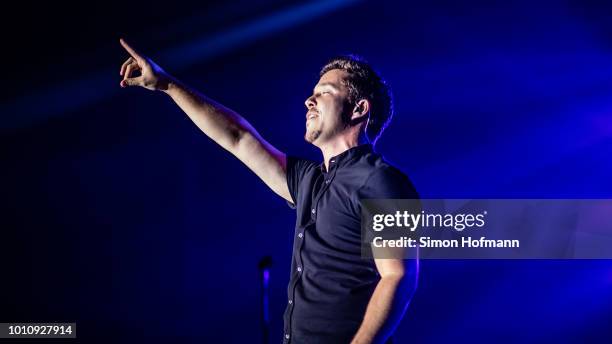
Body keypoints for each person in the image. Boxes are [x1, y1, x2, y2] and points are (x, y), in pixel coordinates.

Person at [118, 38, 419, 344]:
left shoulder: (383, 182)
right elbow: (238, 138)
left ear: (359, 109)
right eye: (312, 94)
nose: (309, 101)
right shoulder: (310, 180)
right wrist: (167, 85)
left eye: (324, 93)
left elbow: (399, 276)